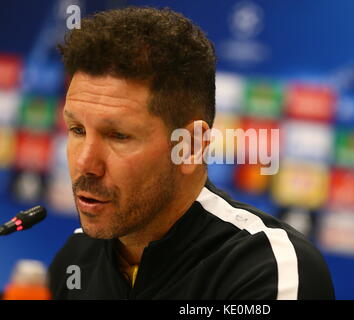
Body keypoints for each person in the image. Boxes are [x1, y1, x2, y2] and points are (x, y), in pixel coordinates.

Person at [48, 6, 335, 300]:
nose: (85, 163)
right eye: (77, 130)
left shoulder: (269, 268)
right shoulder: (76, 258)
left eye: (118, 136)